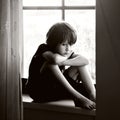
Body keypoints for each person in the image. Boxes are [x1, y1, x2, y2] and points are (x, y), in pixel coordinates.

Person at [26, 22, 96, 110]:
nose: (68, 48)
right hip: (40, 92)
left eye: (70, 44)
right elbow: (54, 59)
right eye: (64, 44)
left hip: (56, 89)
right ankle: (80, 98)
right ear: (53, 43)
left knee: (80, 65)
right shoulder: (43, 48)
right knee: (51, 64)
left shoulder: (64, 52)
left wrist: (63, 62)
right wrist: (65, 59)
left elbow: (85, 61)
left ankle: (93, 96)